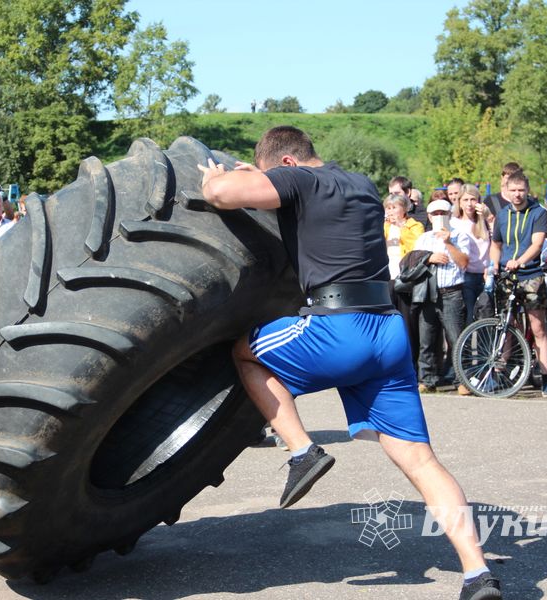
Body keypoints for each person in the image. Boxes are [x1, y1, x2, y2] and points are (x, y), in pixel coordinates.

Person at [198, 126, 501, 600]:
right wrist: (260, 175)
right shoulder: (360, 182)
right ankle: (476, 573)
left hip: (339, 328)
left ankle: (302, 450)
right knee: (422, 462)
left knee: (244, 352)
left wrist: (221, 178)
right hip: (388, 332)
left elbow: (219, 192)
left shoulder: (298, 181)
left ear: (288, 166)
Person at [490, 170, 547, 397]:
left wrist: (520, 261)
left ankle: (546, 376)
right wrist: (494, 265)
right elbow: (496, 244)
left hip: (531, 275)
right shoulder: (502, 215)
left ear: (527, 191)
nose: (517, 195)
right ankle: (500, 373)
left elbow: (537, 244)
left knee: (538, 327)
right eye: (513, 191)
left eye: (521, 190)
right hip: (507, 276)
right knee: (507, 326)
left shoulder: (539, 213)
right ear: (506, 191)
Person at [413, 199, 472, 395]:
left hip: (452, 292)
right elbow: (413, 262)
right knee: (427, 338)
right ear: (429, 216)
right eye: (435, 213)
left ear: (450, 215)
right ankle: (427, 379)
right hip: (428, 292)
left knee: (456, 338)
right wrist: (428, 258)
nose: (439, 217)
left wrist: (448, 243)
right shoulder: (424, 238)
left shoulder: (460, 235)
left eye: (443, 213)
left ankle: (462, 380)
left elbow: (464, 263)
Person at [384, 193, 424, 365]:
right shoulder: (384, 226)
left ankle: (411, 364)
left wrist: (401, 228)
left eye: (394, 207)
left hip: (406, 279)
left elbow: (416, 248)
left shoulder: (414, 226)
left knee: (408, 323)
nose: (391, 211)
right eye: (388, 208)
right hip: (387, 278)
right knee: (388, 323)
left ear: (405, 208)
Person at [451, 184, 492, 323]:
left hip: (485, 275)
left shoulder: (484, 221)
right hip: (466, 275)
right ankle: (467, 345)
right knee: (468, 318)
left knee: (485, 318)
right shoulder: (454, 223)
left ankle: (483, 345)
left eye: (473, 200)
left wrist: (489, 218)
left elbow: (496, 243)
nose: (469, 204)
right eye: (465, 200)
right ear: (459, 202)